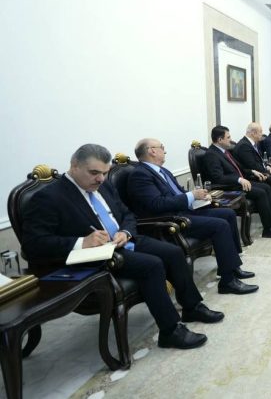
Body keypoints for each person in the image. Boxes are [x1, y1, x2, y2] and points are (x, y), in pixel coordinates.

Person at [22, 144, 222, 350]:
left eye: (104, 173)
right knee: (152, 265)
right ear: (74, 166)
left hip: (123, 241)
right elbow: (33, 245)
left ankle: (192, 307)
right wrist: (82, 242)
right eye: (94, 173)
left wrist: (125, 232)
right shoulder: (49, 197)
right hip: (95, 255)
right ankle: (170, 331)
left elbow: (127, 214)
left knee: (173, 252)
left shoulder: (103, 185)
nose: (100, 178)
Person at [127, 138, 258, 295]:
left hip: (185, 211)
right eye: (162, 147)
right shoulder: (140, 175)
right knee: (220, 225)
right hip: (172, 220)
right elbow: (156, 204)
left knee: (228, 214)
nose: (165, 150)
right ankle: (227, 282)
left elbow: (179, 193)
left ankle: (232, 266)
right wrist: (191, 196)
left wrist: (199, 197)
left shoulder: (163, 170)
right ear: (152, 151)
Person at [202, 125, 271, 239]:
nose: (230, 139)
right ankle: (268, 229)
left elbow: (239, 168)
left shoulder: (224, 151)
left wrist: (252, 171)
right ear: (220, 140)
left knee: (266, 187)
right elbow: (218, 177)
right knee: (261, 192)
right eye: (228, 137)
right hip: (229, 186)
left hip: (240, 181)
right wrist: (239, 179)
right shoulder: (211, 154)